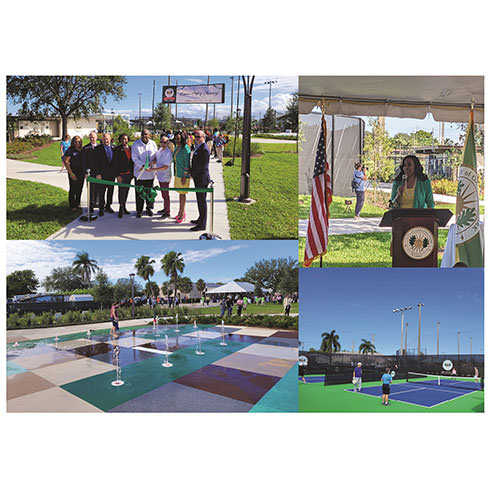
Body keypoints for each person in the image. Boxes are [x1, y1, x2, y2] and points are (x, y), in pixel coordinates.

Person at [131, 129, 157, 217]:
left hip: (150, 174)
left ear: (149, 135)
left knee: (150, 193)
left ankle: (149, 208)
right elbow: (134, 158)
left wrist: (153, 163)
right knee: (139, 193)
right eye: (143, 134)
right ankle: (139, 210)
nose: (144, 136)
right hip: (140, 174)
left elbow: (156, 156)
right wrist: (142, 165)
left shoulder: (153, 144)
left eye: (146, 134)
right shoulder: (135, 144)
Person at [190, 130, 211, 231]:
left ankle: (202, 224)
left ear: (204, 137)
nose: (196, 138)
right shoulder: (198, 147)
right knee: (199, 200)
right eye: (195, 136)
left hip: (202, 178)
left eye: (198, 136)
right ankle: (200, 218)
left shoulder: (204, 149)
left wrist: (192, 174)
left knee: (202, 201)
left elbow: (202, 166)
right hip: (198, 177)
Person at [150, 134, 173, 218]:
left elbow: (165, 166)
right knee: (163, 194)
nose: (163, 143)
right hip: (160, 175)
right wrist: (151, 163)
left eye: (165, 142)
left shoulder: (168, 152)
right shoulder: (159, 150)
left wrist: (153, 170)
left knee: (165, 195)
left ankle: (167, 212)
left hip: (165, 176)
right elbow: (157, 159)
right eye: (162, 141)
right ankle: (165, 208)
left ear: (168, 143)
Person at [94, 133, 116, 215]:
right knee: (102, 192)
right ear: (102, 140)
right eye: (104, 139)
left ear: (110, 139)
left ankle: (108, 206)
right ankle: (101, 208)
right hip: (102, 174)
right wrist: (98, 173)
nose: (105, 140)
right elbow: (95, 163)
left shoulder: (114, 147)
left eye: (107, 139)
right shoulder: (97, 149)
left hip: (112, 175)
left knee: (110, 191)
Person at [172, 131, 191, 223]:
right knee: (180, 194)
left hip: (183, 175)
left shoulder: (185, 149)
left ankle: (182, 213)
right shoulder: (177, 147)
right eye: (175, 138)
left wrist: (185, 175)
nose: (176, 140)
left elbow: (187, 163)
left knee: (183, 195)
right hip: (177, 174)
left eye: (178, 138)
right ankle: (180, 212)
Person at [113, 133, 133, 218]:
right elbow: (114, 163)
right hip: (121, 174)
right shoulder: (117, 149)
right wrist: (117, 175)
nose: (123, 140)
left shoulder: (131, 149)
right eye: (122, 139)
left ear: (128, 139)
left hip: (129, 174)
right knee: (121, 191)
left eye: (125, 139)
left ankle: (124, 206)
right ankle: (120, 208)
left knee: (127, 191)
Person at [63, 136, 85, 211]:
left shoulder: (82, 150)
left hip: (81, 173)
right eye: (76, 142)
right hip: (73, 172)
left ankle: (77, 204)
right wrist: (71, 173)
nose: (77, 143)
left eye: (79, 142)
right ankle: (72, 206)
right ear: (73, 142)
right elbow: (66, 162)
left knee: (79, 189)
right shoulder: (70, 150)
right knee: (73, 189)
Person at [81, 131, 100, 213]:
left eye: (93, 137)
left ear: (97, 138)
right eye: (91, 137)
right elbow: (83, 162)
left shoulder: (100, 147)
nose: (92, 139)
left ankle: (97, 203)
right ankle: (91, 205)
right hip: (89, 172)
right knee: (91, 190)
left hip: (98, 172)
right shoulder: (85, 148)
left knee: (98, 189)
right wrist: (85, 172)